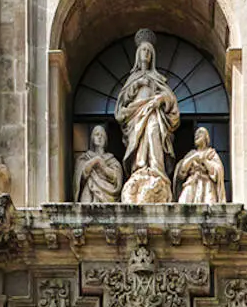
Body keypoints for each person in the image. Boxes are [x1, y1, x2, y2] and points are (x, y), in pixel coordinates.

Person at [114, 29, 180, 183]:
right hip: (135, 116)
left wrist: (160, 99)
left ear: (153, 56)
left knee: (153, 131)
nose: (146, 54)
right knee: (137, 138)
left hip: (153, 113)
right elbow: (122, 101)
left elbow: (170, 98)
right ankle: (139, 168)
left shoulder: (157, 78)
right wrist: (137, 84)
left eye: (149, 51)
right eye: (143, 50)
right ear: (138, 54)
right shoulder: (133, 78)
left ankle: (157, 170)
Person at [73, 124, 123, 203]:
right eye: (97, 134)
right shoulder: (85, 158)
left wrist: (103, 167)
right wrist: (95, 160)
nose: (99, 137)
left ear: (106, 140)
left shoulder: (112, 160)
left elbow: (117, 177)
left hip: (108, 195)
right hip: (89, 193)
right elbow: (80, 176)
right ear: (92, 139)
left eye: (102, 135)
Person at [176, 126, 226, 204]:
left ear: (206, 137)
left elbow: (217, 171)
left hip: (207, 185)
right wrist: (192, 158)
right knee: (182, 203)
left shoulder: (211, 153)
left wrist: (204, 161)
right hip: (191, 183)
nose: (197, 136)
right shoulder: (192, 153)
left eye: (200, 134)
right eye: (196, 135)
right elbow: (182, 170)